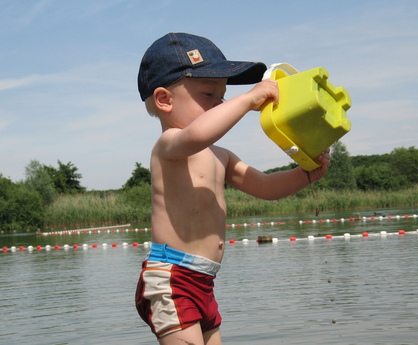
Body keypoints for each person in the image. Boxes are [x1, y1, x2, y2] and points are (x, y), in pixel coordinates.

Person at [135, 32, 330, 345]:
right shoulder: (169, 146)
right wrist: (249, 98)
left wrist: (306, 173)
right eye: (209, 95)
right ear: (164, 100)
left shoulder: (220, 156)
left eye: (223, 95)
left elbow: (265, 186)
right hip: (172, 278)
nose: (221, 103)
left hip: (204, 281)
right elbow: (198, 135)